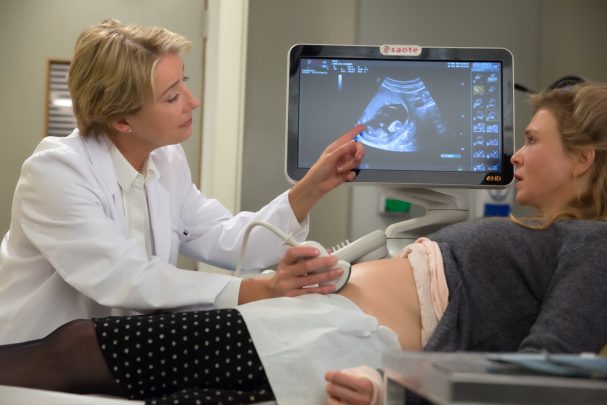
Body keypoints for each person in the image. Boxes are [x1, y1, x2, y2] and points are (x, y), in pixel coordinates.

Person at [1, 84, 607, 404]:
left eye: (531, 141)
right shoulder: (550, 239)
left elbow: (541, 376)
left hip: (329, 337)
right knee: (105, 363)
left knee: (82, 352)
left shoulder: (594, 244)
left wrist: (396, 391)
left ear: (581, 159)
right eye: (173, 93)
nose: (517, 155)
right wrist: (332, 253)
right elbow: (194, 245)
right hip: (320, 319)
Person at [0, 19, 365, 345]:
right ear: (122, 121)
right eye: (172, 96)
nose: (193, 102)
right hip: (31, 359)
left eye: (184, 83)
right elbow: (125, 278)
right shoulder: (56, 172)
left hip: (113, 352)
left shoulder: (166, 160)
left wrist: (312, 186)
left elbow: (228, 238)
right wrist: (259, 289)